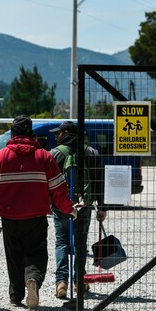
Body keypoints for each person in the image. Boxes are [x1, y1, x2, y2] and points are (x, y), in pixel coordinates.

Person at [0, 116, 75, 310]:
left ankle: (16, 296)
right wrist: (69, 209)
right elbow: (58, 188)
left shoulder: (0, 156)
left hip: (9, 217)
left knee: (14, 256)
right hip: (36, 216)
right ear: (31, 133)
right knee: (36, 253)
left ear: (13, 133)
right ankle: (32, 279)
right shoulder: (43, 156)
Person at [49, 121, 107, 299]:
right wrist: (102, 207)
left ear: (65, 133)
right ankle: (79, 281)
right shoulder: (91, 152)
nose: (56, 136)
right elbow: (99, 181)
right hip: (85, 206)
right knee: (80, 243)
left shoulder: (55, 154)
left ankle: (61, 282)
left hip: (62, 207)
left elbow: (49, 183)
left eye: (57, 133)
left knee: (62, 242)